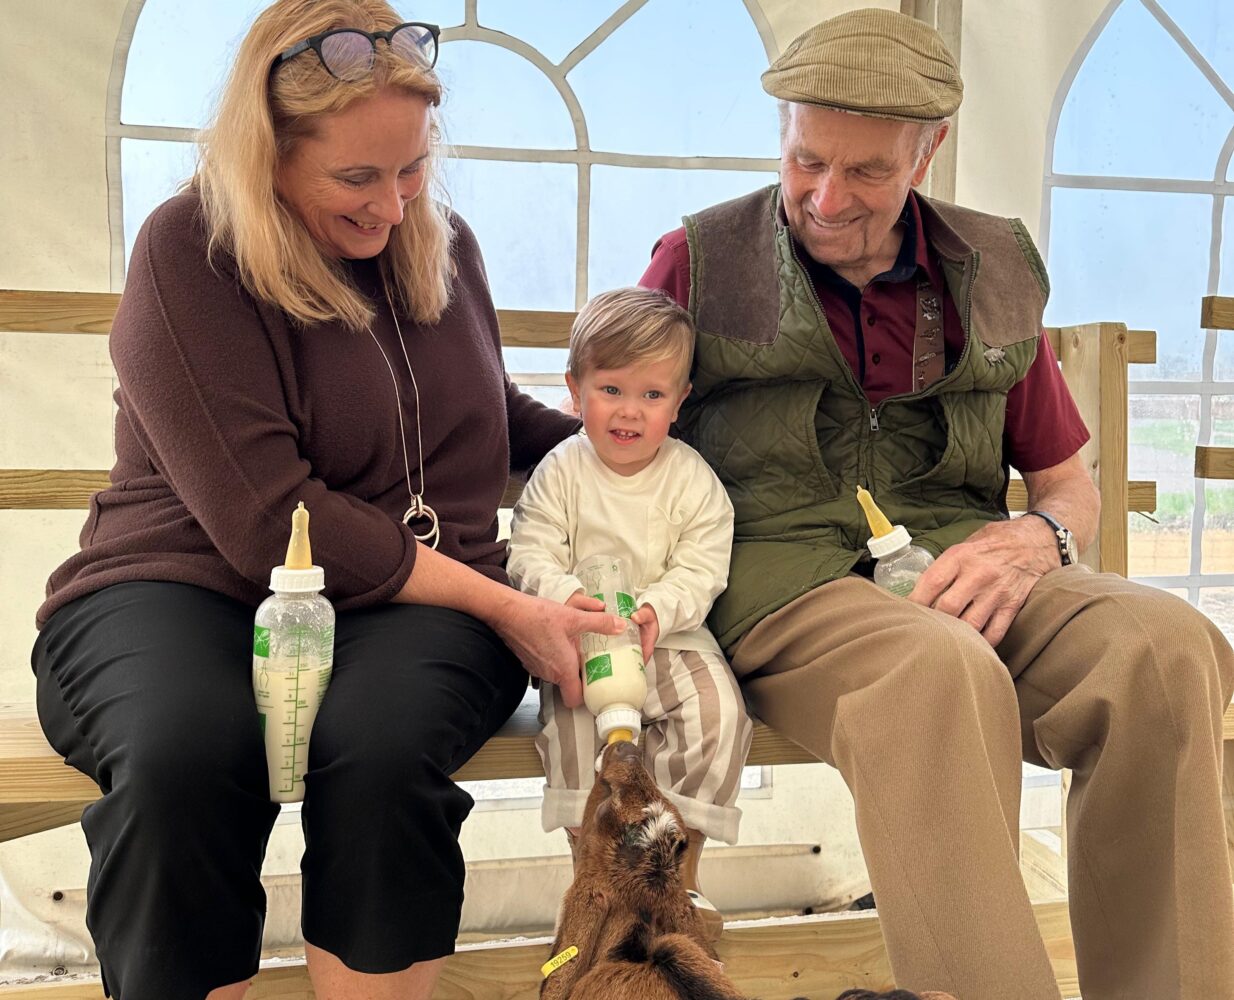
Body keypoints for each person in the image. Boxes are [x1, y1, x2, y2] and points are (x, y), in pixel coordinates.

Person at [29, 2, 623, 998]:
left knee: (384, 754)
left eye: (412, 168)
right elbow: (270, 519)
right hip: (180, 580)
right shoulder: (189, 247)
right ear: (267, 152)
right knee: (183, 759)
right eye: (356, 177)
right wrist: (510, 606)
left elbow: (486, 421)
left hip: (416, 599)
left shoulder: (442, 241)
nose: (392, 207)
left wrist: (645, 451)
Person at [639, 9, 1234, 999]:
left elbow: (1065, 482)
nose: (825, 198)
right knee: (934, 670)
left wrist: (1036, 539)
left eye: (865, 172)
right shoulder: (698, 262)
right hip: (781, 577)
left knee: (1164, 651)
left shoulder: (994, 267)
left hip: (959, 559)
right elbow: (617, 449)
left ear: (928, 152)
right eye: (805, 160)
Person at [506, 287, 751, 940]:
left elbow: (704, 565)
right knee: (574, 726)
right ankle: (598, 873)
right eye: (611, 390)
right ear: (575, 388)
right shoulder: (561, 472)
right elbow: (528, 549)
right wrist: (565, 598)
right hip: (583, 641)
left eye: (652, 395)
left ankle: (677, 869)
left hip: (670, 637)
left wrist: (657, 608)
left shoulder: (690, 477)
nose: (629, 412)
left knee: (717, 712)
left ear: (680, 400)